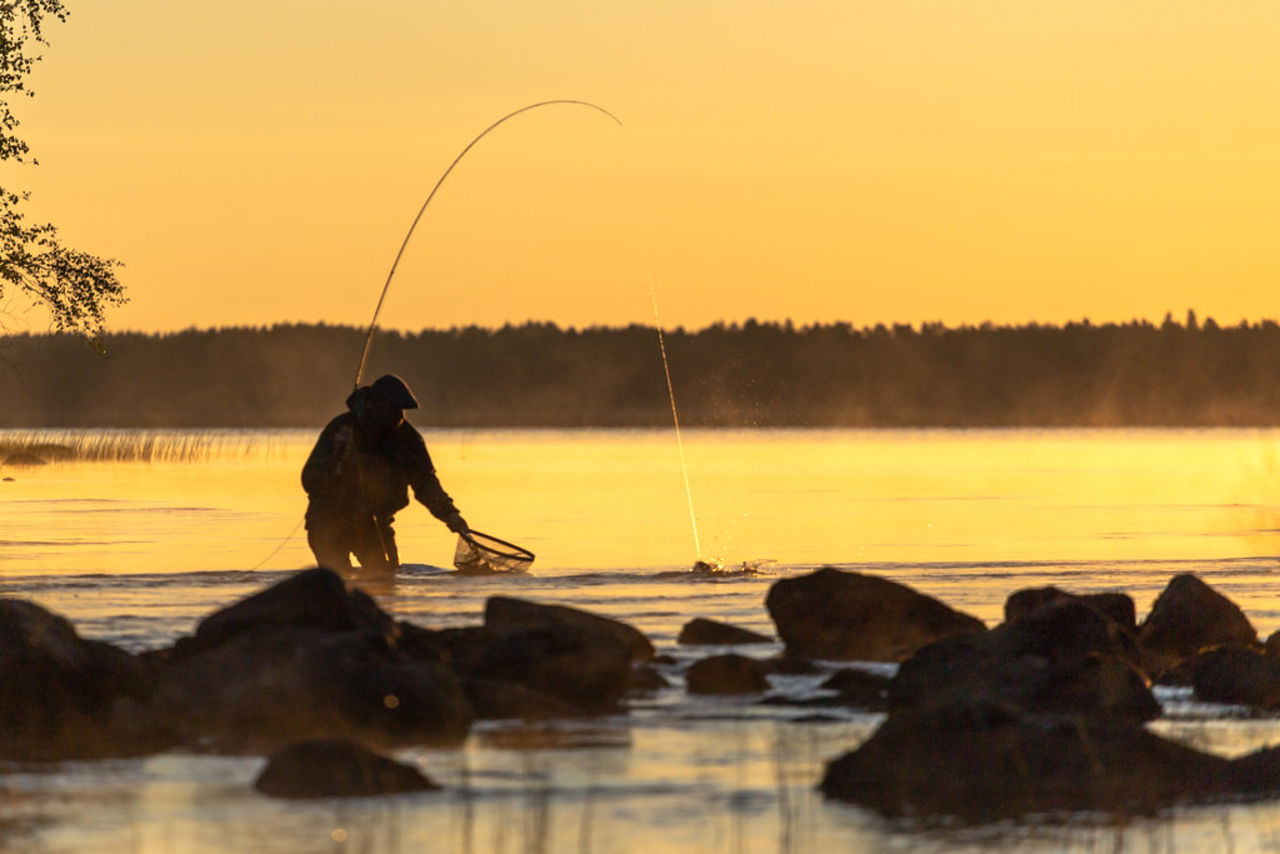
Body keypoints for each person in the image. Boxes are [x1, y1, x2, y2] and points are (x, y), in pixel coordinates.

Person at [302, 373, 468, 571]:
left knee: (385, 579)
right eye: (394, 409)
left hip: (373, 526)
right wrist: (337, 458)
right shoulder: (341, 429)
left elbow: (425, 483)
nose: (399, 416)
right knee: (336, 581)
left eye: (402, 410)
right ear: (375, 405)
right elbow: (309, 480)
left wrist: (450, 514)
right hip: (328, 523)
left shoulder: (408, 439)